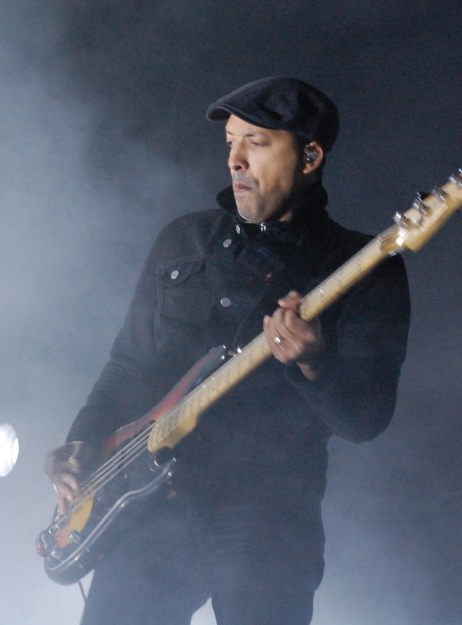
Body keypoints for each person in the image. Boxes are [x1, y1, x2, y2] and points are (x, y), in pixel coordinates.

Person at [43, 76, 411, 625]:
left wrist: (310, 362)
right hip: (147, 505)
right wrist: (85, 441)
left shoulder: (361, 266)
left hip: (266, 514)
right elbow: (129, 365)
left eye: (256, 143)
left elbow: (366, 418)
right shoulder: (182, 240)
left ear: (310, 156)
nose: (235, 160)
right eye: (231, 143)